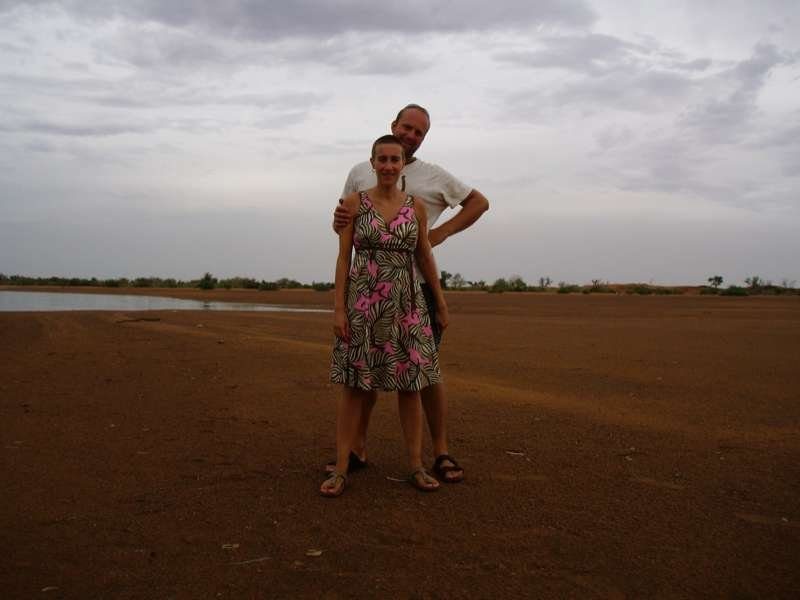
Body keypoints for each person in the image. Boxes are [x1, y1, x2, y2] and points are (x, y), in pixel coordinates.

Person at [330, 104, 490, 483]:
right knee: (364, 376)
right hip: (368, 292)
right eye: (407, 128)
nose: (411, 136)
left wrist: (440, 234)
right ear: (393, 126)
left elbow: (478, 203)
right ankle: (356, 450)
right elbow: (343, 224)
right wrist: (337, 222)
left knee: (423, 375)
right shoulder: (359, 173)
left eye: (419, 132)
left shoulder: (433, 177)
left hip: (415, 289)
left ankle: (440, 453)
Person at [321, 134, 449, 497]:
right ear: (373, 163)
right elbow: (343, 258)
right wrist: (339, 309)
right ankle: (341, 468)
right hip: (364, 304)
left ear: (403, 164)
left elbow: (424, 255)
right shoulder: (354, 203)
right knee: (354, 386)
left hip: (408, 304)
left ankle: (416, 466)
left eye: (395, 160)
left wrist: (440, 303)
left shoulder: (416, 206)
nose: (389, 166)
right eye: (383, 159)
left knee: (411, 385)